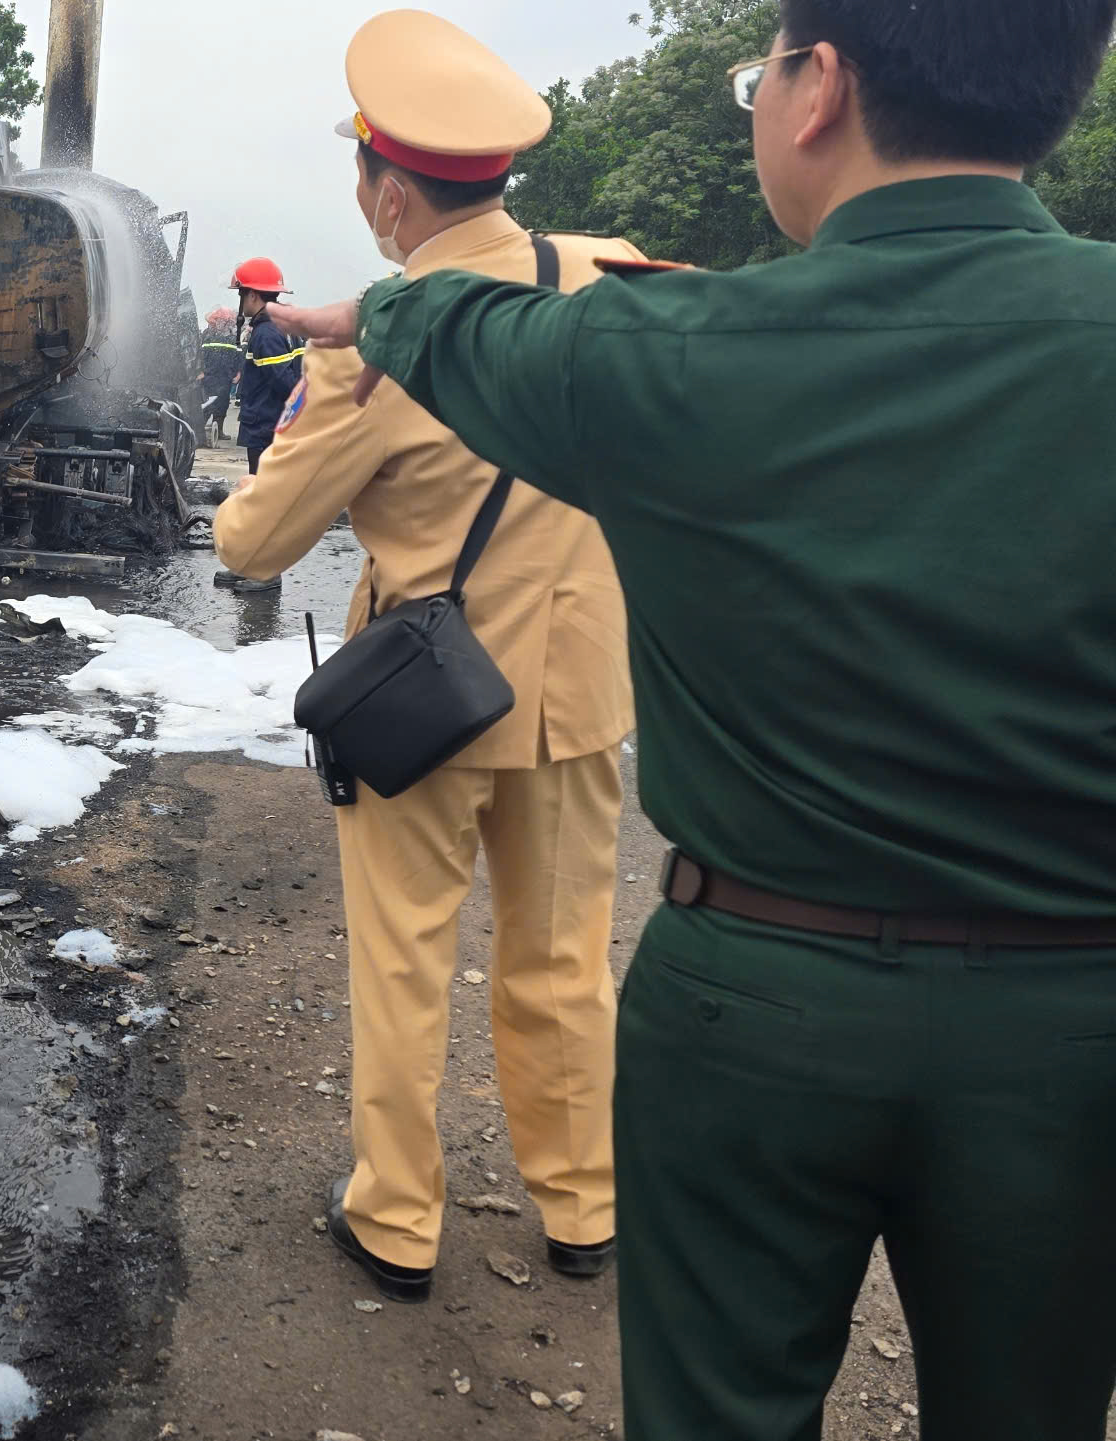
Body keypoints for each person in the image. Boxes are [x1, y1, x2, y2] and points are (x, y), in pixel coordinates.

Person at [266, 1, 1116, 1435]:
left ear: (819, 88)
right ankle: (570, 1198)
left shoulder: (678, 351)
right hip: (1073, 1018)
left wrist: (380, 310)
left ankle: (400, 1213)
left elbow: (457, 332)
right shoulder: (644, 296)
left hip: (754, 1001)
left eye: (758, 70)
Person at [214, 8, 647, 1310]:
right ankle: (583, 1208)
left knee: (405, 959)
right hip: (577, 695)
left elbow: (248, 540)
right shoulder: (607, 280)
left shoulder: (372, 352)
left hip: (427, 701)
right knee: (566, 959)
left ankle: (399, 1221)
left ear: (389, 190)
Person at [230, 258, 303, 470]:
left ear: (252, 294)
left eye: (241, 293)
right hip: (276, 426)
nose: (241, 301)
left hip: (265, 428)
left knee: (263, 493)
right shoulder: (285, 325)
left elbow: (286, 383)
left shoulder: (267, 332)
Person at [198, 306, 241, 442]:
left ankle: (219, 431)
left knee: (222, 404)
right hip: (209, 375)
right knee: (206, 404)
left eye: (226, 321)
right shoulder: (206, 335)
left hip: (225, 377)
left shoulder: (234, 338)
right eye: (220, 320)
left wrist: (238, 373)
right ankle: (200, 431)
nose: (223, 323)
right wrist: (199, 371)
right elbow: (198, 355)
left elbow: (238, 357)